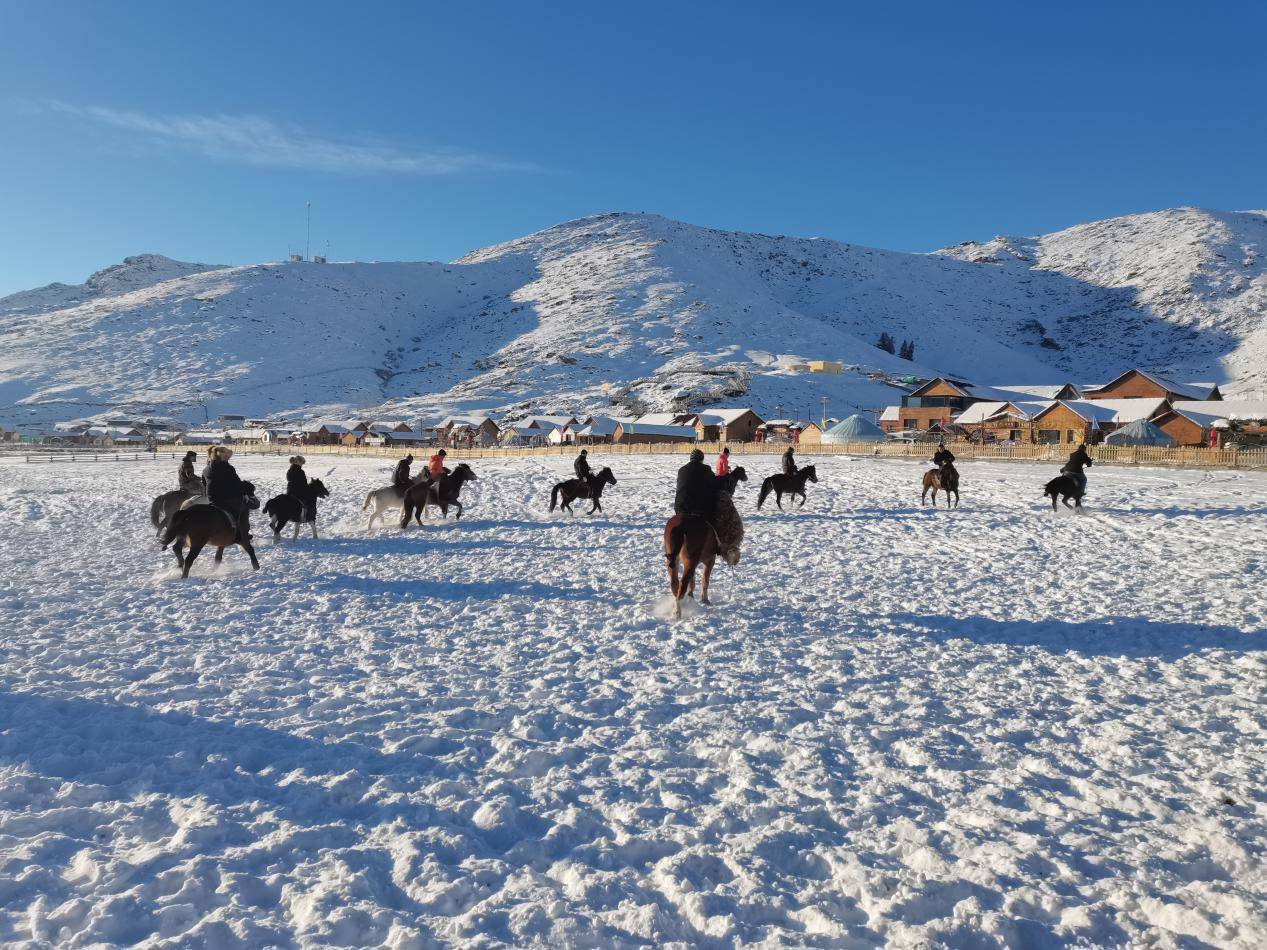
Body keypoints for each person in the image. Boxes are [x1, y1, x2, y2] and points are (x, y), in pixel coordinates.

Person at [203, 445, 251, 541]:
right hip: (224, 499)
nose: (229, 458)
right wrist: (244, 491)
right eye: (228, 457)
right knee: (242, 511)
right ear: (224, 457)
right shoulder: (228, 468)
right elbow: (236, 484)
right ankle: (239, 535)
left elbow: (204, 483)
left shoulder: (206, 468)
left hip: (210, 498)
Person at [674, 449, 719, 519]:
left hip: (680, 507)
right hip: (699, 509)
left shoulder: (681, 469)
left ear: (690, 458)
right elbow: (715, 484)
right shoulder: (706, 469)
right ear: (702, 459)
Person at [286, 455, 314, 522]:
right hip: (298, 492)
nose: (302, 465)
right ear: (299, 462)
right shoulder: (300, 471)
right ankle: (305, 517)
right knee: (308, 501)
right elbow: (304, 484)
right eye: (302, 463)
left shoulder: (289, 470)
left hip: (289, 491)